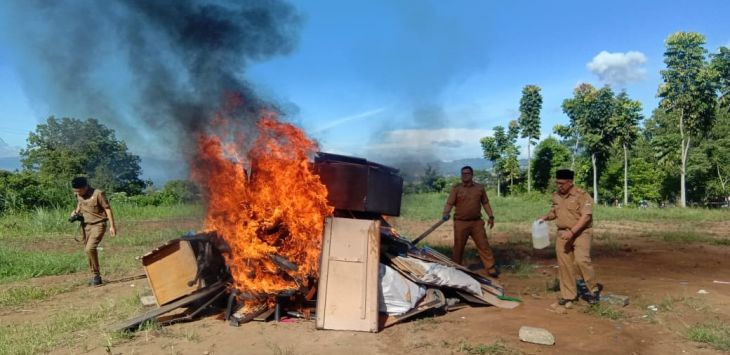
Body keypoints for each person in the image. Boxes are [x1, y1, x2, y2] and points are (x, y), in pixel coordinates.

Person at [538, 169, 601, 305]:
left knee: (581, 260)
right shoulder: (556, 195)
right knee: (564, 264)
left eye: (562, 183)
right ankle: (569, 295)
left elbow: (586, 217)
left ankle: (593, 290)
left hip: (581, 232)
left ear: (570, 182)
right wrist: (546, 217)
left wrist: (572, 232)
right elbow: (555, 211)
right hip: (562, 233)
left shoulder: (582, 195)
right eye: (557, 183)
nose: (559, 186)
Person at [442, 166, 498, 277]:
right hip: (460, 222)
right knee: (458, 246)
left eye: (467, 173)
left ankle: (490, 268)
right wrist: (445, 213)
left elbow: (485, 203)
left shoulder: (479, 188)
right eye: (463, 173)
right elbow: (449, 203)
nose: (464, 175)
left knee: (483, 245)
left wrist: (491, 216)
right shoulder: (456, 188)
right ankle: (455, 268)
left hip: (476, 222)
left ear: (472, 175)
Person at [70, 176, 118, 286]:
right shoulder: (78, 194)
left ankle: (96, 275)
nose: (78, 193)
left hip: (99, 225)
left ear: (85, 187)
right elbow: (80, 204)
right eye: (75, 191)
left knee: (89, 248)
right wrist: (75, 213)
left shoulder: (98, 194)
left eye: (79, 190)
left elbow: (107, 209)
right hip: (86, 226)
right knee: (89, 251)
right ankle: (95, 276)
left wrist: (112, 226)